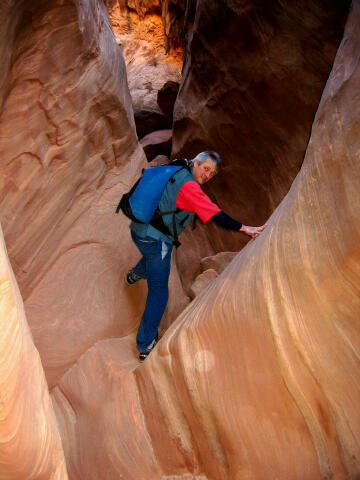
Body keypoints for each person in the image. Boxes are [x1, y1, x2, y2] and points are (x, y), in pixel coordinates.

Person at [126, 151, 266, 361]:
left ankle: (135, 274)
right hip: (155, 238)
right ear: (196, 163)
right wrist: (245, 228)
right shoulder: (190, 187)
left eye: (213, 173)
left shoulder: (178, 168)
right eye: (206, 168)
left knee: (153, 258)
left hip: (139, 228)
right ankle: (145, 344)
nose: (208, 175)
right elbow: (216, 214)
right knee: (160, 292)